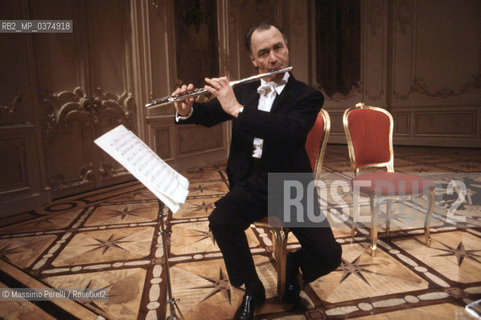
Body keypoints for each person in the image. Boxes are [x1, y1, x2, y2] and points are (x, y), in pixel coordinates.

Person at [173, 21, 342, 320]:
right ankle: (252, 287)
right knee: (221, 220)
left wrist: (237, 109)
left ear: (287, 49)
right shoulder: (246, 90)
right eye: (263, 53)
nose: (273, 58)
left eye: (278, 48)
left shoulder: (307, 96)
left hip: (290, 184)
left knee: (329, 256)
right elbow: (208, 115)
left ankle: (292, 265)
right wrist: (186, 109)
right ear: (253, 60)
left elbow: (288, 131)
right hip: (252, 182)